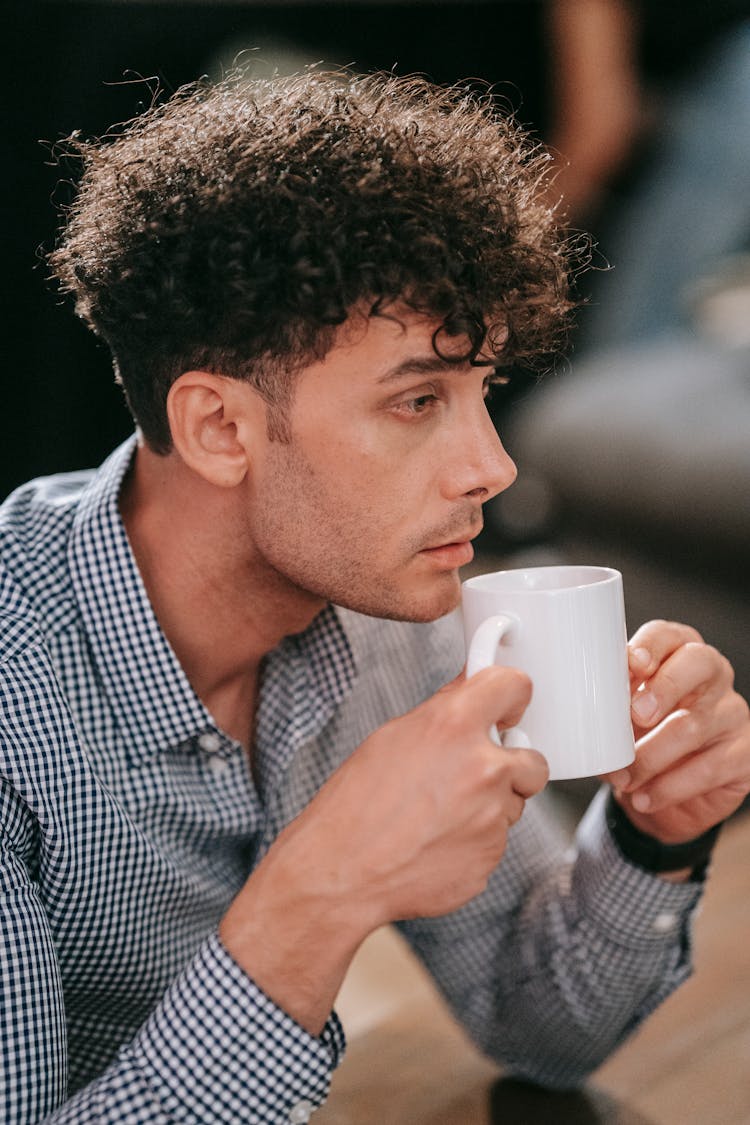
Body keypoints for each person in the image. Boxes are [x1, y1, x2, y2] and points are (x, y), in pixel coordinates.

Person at [2, 71, 748, 1125]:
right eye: (416, 402)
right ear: (221, 429)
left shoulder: (397, 627)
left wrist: (652, 838)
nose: (492, 466)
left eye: (481, 392)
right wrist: (325, 890)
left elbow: (540, 1025)